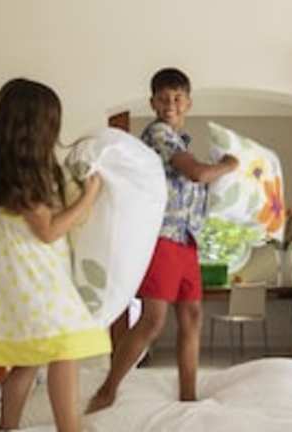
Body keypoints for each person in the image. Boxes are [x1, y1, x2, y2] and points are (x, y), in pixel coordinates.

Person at [0, 78, 111, 432]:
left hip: (26, 261)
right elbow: (48, 230)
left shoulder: (22, 166)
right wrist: (90, 197)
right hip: (27, 264)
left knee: (33, 355)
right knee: (64, 345)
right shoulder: (25, 171)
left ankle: (7, 427)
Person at [86, 68, 238, 412]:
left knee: (192, 315)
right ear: (153, 103)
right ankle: (107, 390)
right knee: (153, 319)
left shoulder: (183, 142)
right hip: (162, 238)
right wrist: (229, 165)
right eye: (164, 98)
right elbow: (196, 173)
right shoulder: (158, 134)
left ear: (188, 103)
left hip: (187, 240)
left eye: (178, 98)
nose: (171, 104)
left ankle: (188, 396)